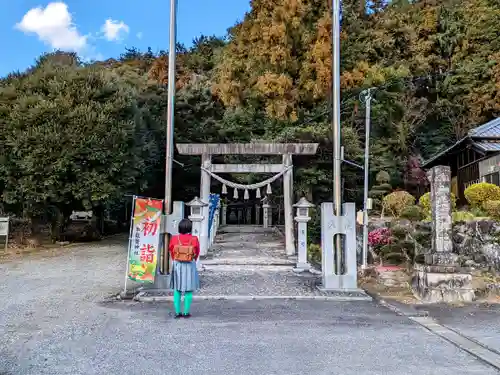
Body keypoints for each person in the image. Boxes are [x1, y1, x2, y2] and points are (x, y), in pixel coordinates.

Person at [169, 218, 200, 318]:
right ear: (190, 228)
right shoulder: (194, 239)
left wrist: (176, 259)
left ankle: (178, 312)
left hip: (178, 264)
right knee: (188, 290)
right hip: (190, 264)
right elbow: (197, 252)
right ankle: (186, 313)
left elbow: (171, 251)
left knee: (177, 289)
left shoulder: (174, 238)